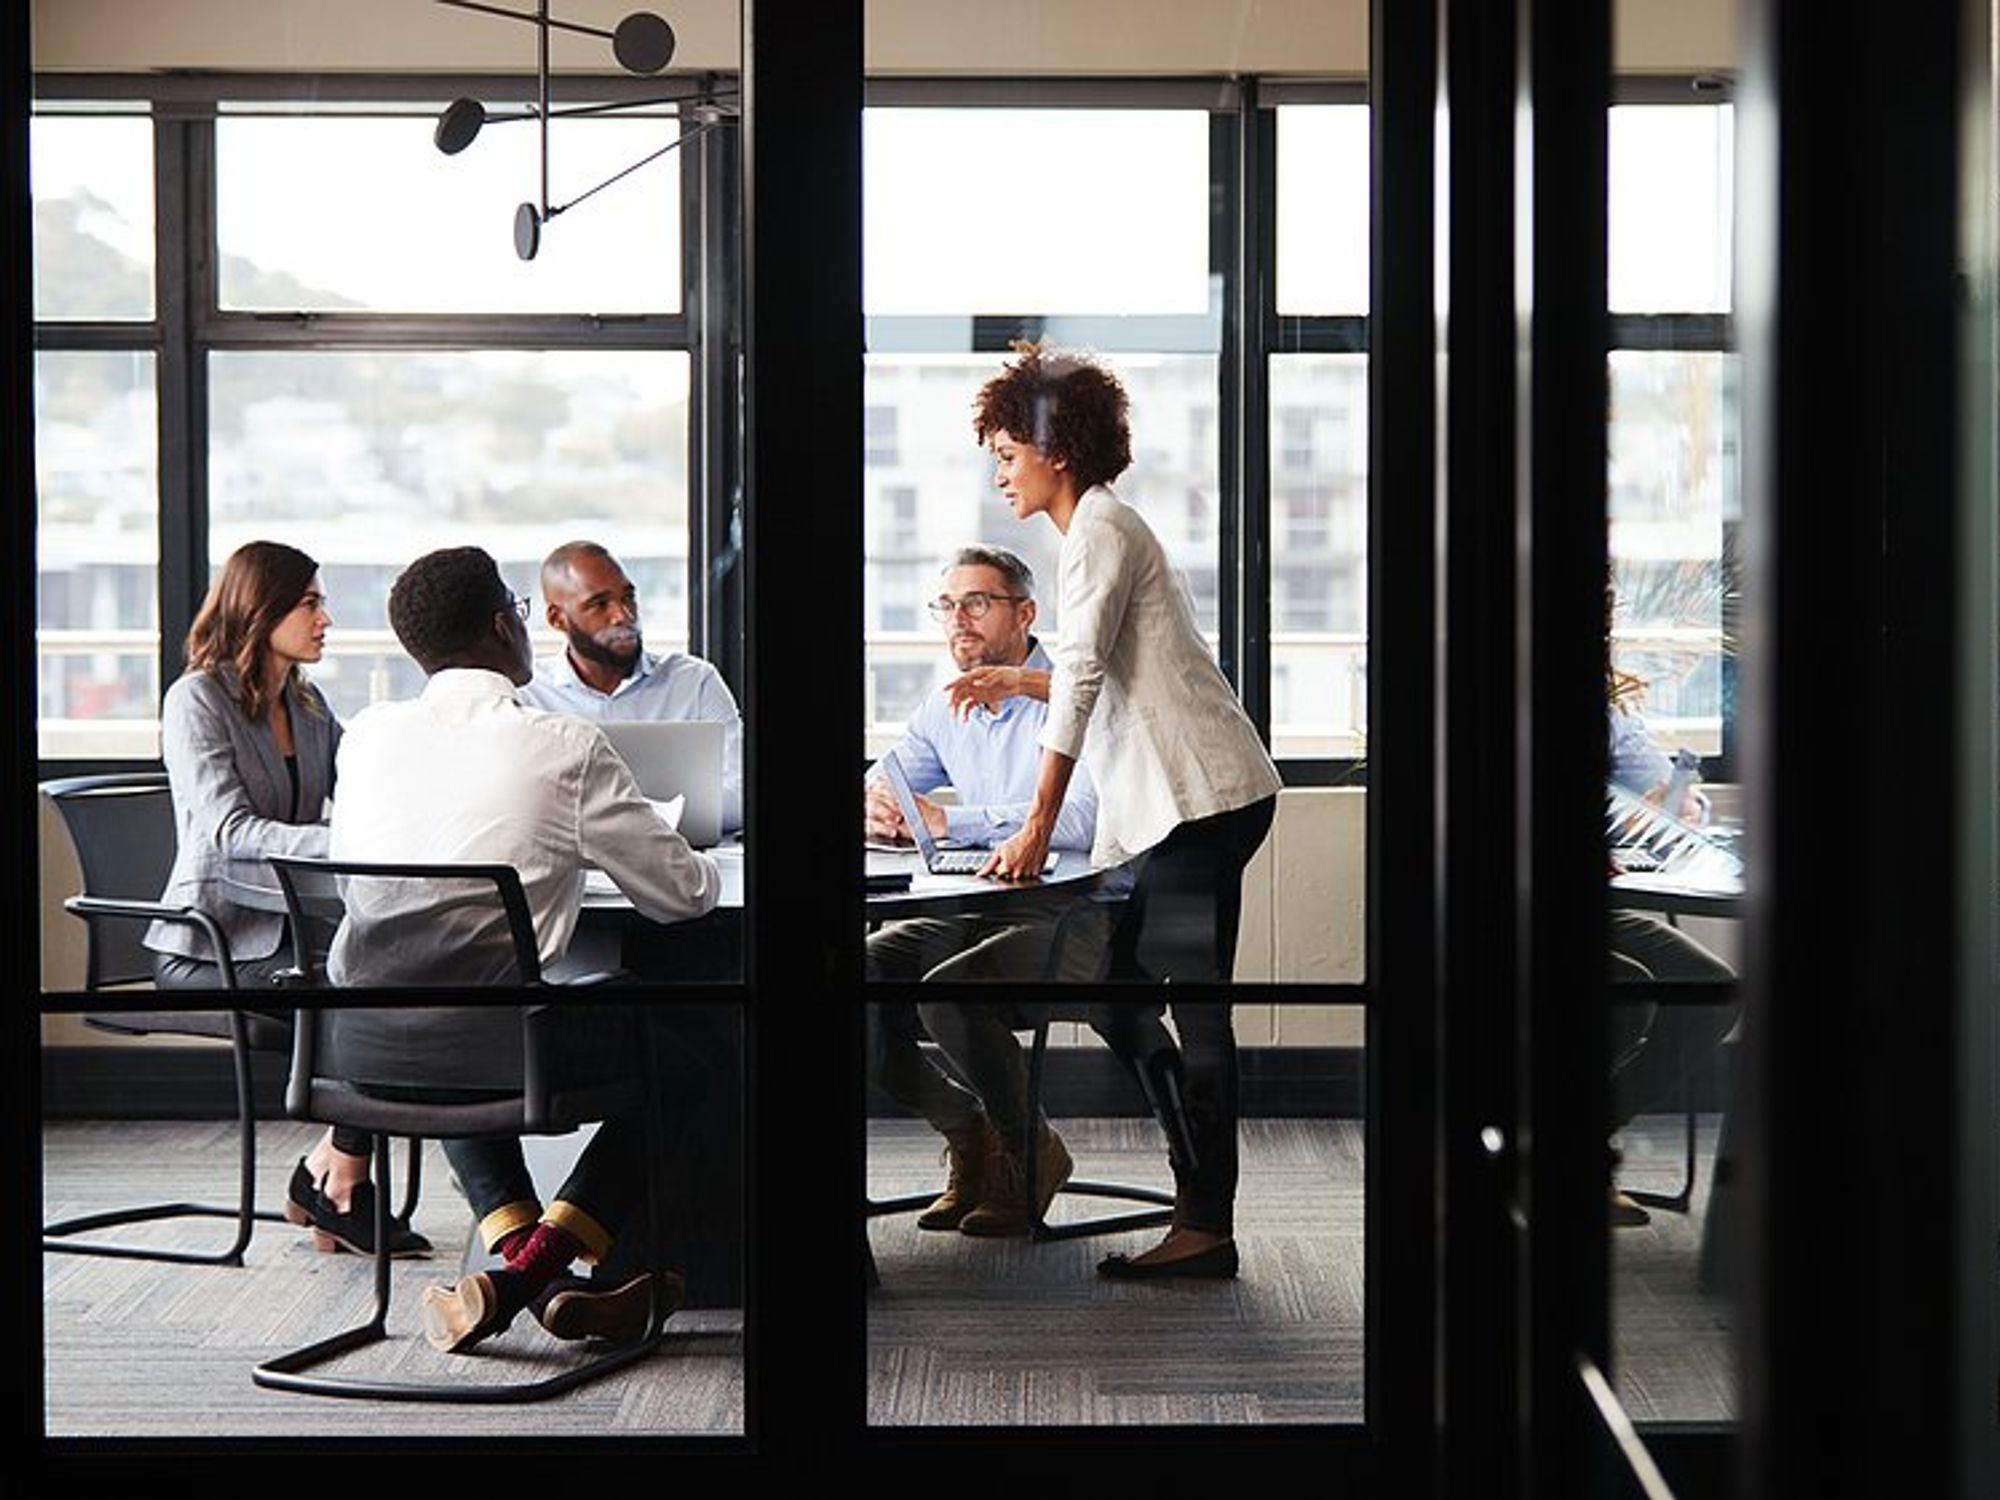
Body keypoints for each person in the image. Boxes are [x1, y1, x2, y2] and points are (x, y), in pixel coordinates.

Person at [329, 544, 721, 1350]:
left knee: (448, 996)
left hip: (358, 1039)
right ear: (506, 623)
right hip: (502, 1046)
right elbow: (680, 897)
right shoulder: (562, 744)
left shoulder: (366, 737)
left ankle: (521, 1266)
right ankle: (534, 1272)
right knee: (714, 1047)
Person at [947, 344, 1283, 1279]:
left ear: (1054, 447)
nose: (1000, 471)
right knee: (1126, 992)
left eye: (1007, 452)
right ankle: (1199, 1201)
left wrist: (1036, 826)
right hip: (1202, 802)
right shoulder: (1099, 528)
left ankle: (1205, 1221)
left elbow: (1088, 674)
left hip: (1201, 804)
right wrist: (1018, 674)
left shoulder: (1097, 530)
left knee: (1193, 1010)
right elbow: (1115, 661)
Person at [148, 539, 427, 1258]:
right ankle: (337, 1186)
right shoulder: (196, 700)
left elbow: (362, 794)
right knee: (359, 1002)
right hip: (212, 942)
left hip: (295, 936)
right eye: (310, 602)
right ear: (260, 608)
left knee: (394, 983)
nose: (326, 617)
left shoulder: (305, 702)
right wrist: (349, 847)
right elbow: (229, 830)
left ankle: (326, 1174)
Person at [864, 545, 1100, 1237]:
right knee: (857, 976)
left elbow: (1079, 821)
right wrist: (876, 804)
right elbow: (886, 777)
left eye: (978, 602)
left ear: (1026, 614)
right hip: (972, 903)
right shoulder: (947, 704)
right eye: (947, 605)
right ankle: (971, 1137)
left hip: (1075, 912)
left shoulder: (1069, 695)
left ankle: (1030, 1150)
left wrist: (950, 819)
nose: (957, 619)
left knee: (948, 990)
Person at [1605, 660, 1740, 1227]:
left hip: (1594, 905)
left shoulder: (1606, 714)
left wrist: (1684, 806)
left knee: (1711, 988)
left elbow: (1670, 801)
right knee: (1628, 986)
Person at [517, 539, 744, 835]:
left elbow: (743, 791)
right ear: (557, 619)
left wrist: (621, 826)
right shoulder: (529, 693)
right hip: (572, 872)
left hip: (680, 866)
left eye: (628, 597)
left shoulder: (694, 681)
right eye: (599, 604)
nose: (623, 615)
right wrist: (651, 819)